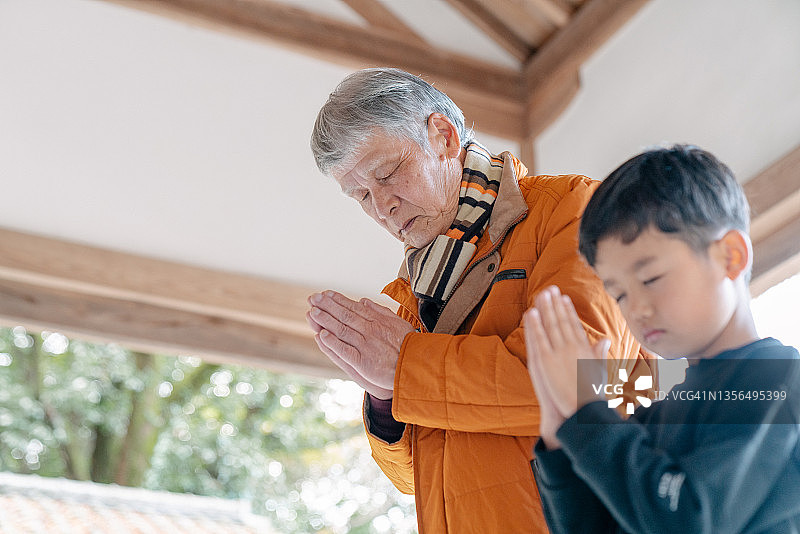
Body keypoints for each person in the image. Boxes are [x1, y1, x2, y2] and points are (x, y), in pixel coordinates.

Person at [306, 67, 654, 533]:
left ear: (444, 137)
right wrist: (386, 401)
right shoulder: (414, 292)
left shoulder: (570, 209)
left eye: (388, 174)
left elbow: (584, 381)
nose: (382, 206)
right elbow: (415, 479)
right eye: (362, 196)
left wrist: (406, 366)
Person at [525, 145, 800, 533]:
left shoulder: (774, 380)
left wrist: (589, 413)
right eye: (618, 294)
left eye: (651, 279)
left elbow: (689, 520)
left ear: (730, 256)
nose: (635, 309)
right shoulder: (653, 414)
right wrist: (560, 433)